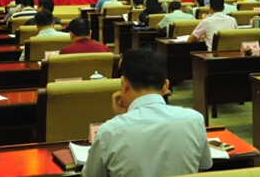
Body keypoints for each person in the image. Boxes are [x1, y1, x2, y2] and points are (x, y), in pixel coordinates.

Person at [83, 48, 211, 177]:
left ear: (125, 85)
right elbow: (202, 168)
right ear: (165, 86)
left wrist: (121, 119)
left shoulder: (108, 132)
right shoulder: (195, 120)